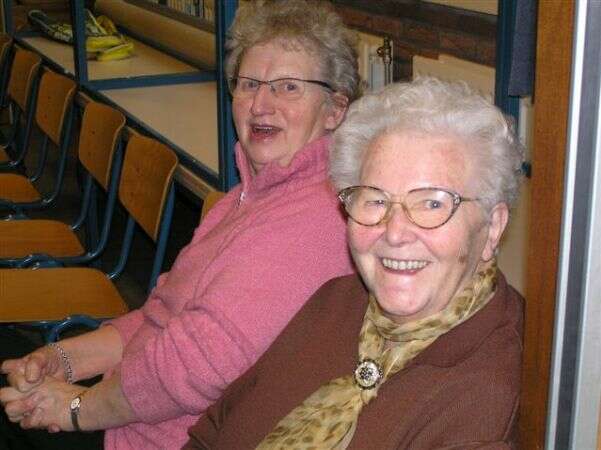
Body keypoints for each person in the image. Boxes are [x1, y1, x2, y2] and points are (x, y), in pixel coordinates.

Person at [0, 1, 360, 449]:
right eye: (249, 84)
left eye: (288, 87)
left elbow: (192, 366)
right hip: (131, 406)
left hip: (166, 437)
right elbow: (162, 314)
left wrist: (75, 408)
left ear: (335, 110)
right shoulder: (246, 198)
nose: (260, 105)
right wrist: (63, 358)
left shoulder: (317, 219)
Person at [184, 77, 525, 449]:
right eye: (375, 200)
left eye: (432, 203)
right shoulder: (337, 302)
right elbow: (214, 430)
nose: (395, 233)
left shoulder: (489, 394)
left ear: (493, 227)